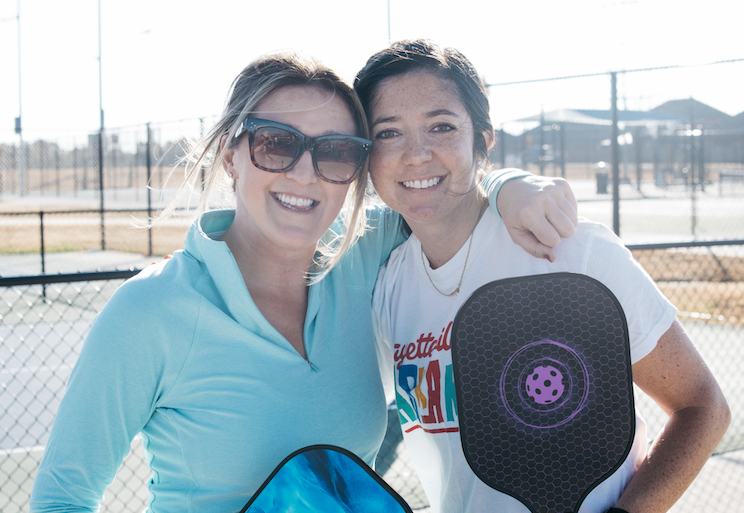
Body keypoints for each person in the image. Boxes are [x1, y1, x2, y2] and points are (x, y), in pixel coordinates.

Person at [29, 50, 578, 513]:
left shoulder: (364, 256)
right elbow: (61, 499)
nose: (304, 172)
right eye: (276, 143)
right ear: (230, 157)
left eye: (337, 152)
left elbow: (443, 188)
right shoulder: (150, 311)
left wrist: (513, 186)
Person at [359, 39, 731, 513]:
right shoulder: (389, 283)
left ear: (483, 141)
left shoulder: (573, 252)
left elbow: (703, 408)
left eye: (442, 126)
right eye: (389, 133)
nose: (416, 154)